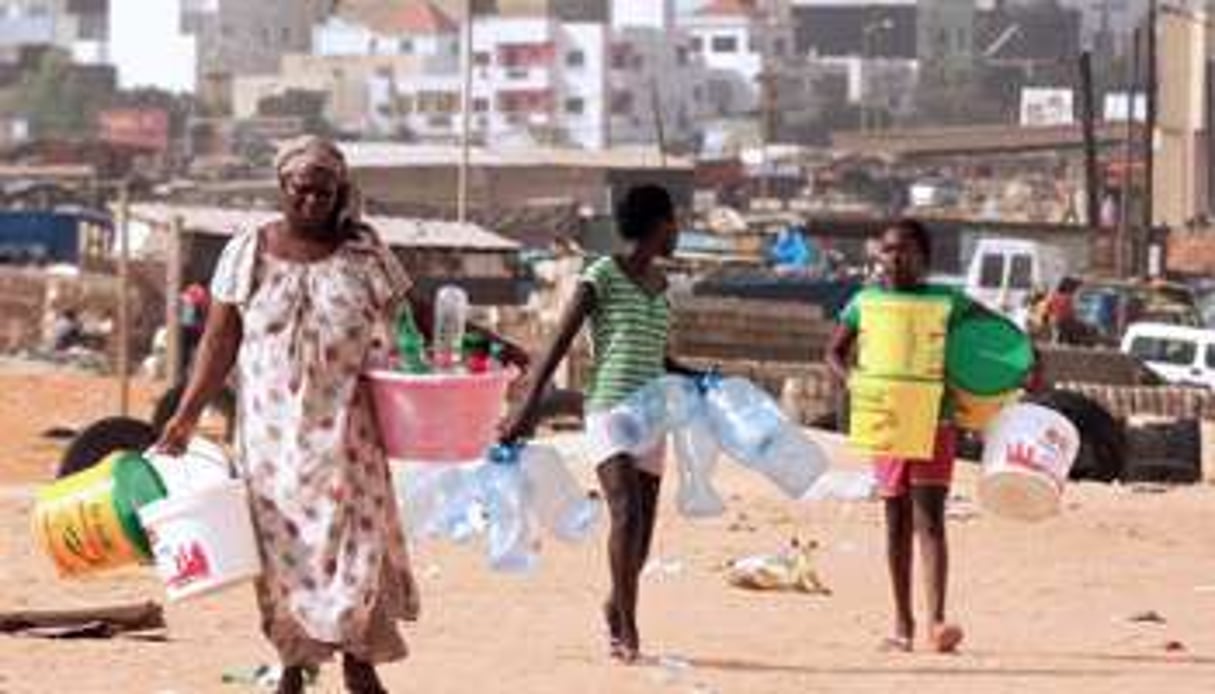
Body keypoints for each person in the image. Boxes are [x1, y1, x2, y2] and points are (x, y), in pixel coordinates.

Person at [155, 137, 525, 694]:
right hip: (271, 442)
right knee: (284, 555)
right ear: (282, 188)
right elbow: (219, 341)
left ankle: (359, 662)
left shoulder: (365, 253)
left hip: (349, 436)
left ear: (340, 193)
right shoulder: (247, 250)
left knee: (357, 546)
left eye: (324, 192)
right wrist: (185, 417)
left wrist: (495, 347)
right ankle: (293, 665)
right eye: (302, 190)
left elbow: (419, 317)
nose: (312, 201)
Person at [500, 184, 701, 664]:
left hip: (654, 415)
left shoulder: (661, 287)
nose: (678, 232)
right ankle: (629, 628)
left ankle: (616, 602)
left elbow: (656, 355)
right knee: (625, 513)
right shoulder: (602, 275)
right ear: (657, 224)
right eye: (674, 222)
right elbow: (559, 342)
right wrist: (528, 406)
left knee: (644, 535)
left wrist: (700, 377)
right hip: (610, 409)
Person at [826, 219, 971, 654]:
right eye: (888, 250)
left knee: (930, 520)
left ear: (924, 257)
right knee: (895, 522)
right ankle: (902, 623)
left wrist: (1017, 365)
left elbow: (990, 335)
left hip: (934, 418)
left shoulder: (948, 301)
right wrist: (851, 380)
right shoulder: (865, 302)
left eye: (905, 249)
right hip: (886, 417)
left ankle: (937, 619)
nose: (895, 257)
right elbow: (833, 351)